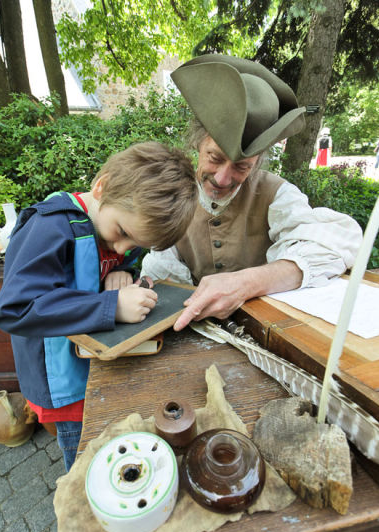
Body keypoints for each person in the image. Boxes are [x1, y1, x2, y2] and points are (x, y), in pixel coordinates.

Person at [0, 141, 198, 471]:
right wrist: (110, 306)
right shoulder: (49, 227)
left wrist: (122, 270)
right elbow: (16, 307)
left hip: (98, 370)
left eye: (137, 245)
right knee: (86, 463)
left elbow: (123, 255)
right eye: (122, 232)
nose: (123, 246)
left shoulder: (114, 223)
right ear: (101, 187)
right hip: (64, 386)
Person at [141, 55, 363, 331]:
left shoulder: (277, 194)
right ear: (197, 144)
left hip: (267, 332)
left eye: (242, 166)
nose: (223, 178)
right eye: (214, 157)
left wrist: (247, 283)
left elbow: (337, 245)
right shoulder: (173, 195)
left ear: (257, 162)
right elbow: (159, 271)